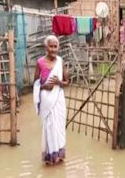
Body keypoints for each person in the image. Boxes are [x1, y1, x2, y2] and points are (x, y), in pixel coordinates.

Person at [33, 35, 69, 165]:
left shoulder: (60, 61)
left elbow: (67, 82)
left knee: (58, 126)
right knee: (48, 127)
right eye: (51, 46)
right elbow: (35, 84)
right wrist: (44, 86)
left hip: (58, 99)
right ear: (46, 47)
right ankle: (50, 156)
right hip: (46, 100)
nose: (53, 49)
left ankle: (59, 155)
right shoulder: (40, 63)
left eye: (55, 46)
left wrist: (59, 82)